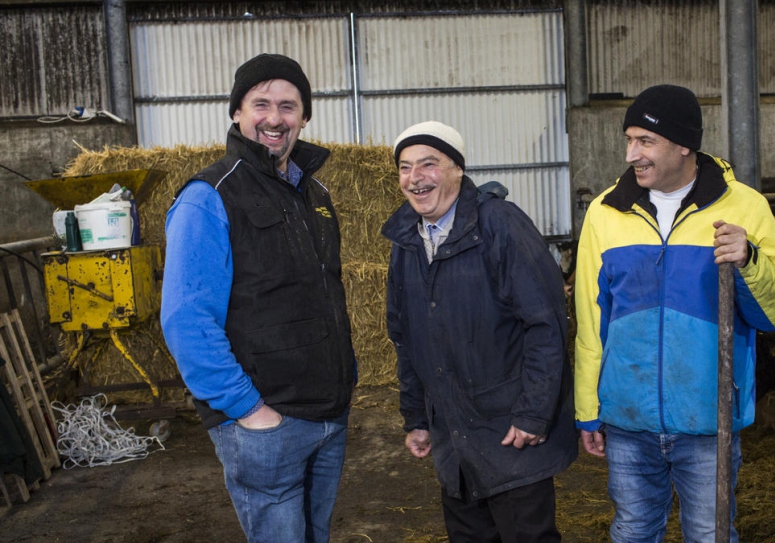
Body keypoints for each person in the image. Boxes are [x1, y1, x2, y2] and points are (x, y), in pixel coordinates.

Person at [573, 84, 775, 543]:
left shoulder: (745, 207)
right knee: (633, 530)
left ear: (683, 145)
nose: (632, 153)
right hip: (627, 417)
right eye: (629, 140)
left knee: (709, 533)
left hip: (707, 415)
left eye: (645, 141)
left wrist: (748, 261)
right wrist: (587, 409)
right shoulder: (604, 212)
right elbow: (590, 321)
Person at [160, 53, 356, 543]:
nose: (275, 118)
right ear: (236, 113)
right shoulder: (208, 197)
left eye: (288, 106)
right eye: (260, 103)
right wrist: (248, 410)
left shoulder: (316, 194)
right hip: (267, 422)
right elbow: (187, 321)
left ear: (304, 118)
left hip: (328, 414)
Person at [382, 121, 578, 542]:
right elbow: (406, 340)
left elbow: (545, 324)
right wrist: (416, 418)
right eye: (405, 167)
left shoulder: (499, 226)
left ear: (456, 169)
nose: (415, 178)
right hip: (455, 441)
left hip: (512, 434)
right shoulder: (407, 243)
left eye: (428, 164)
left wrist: (533, 414)